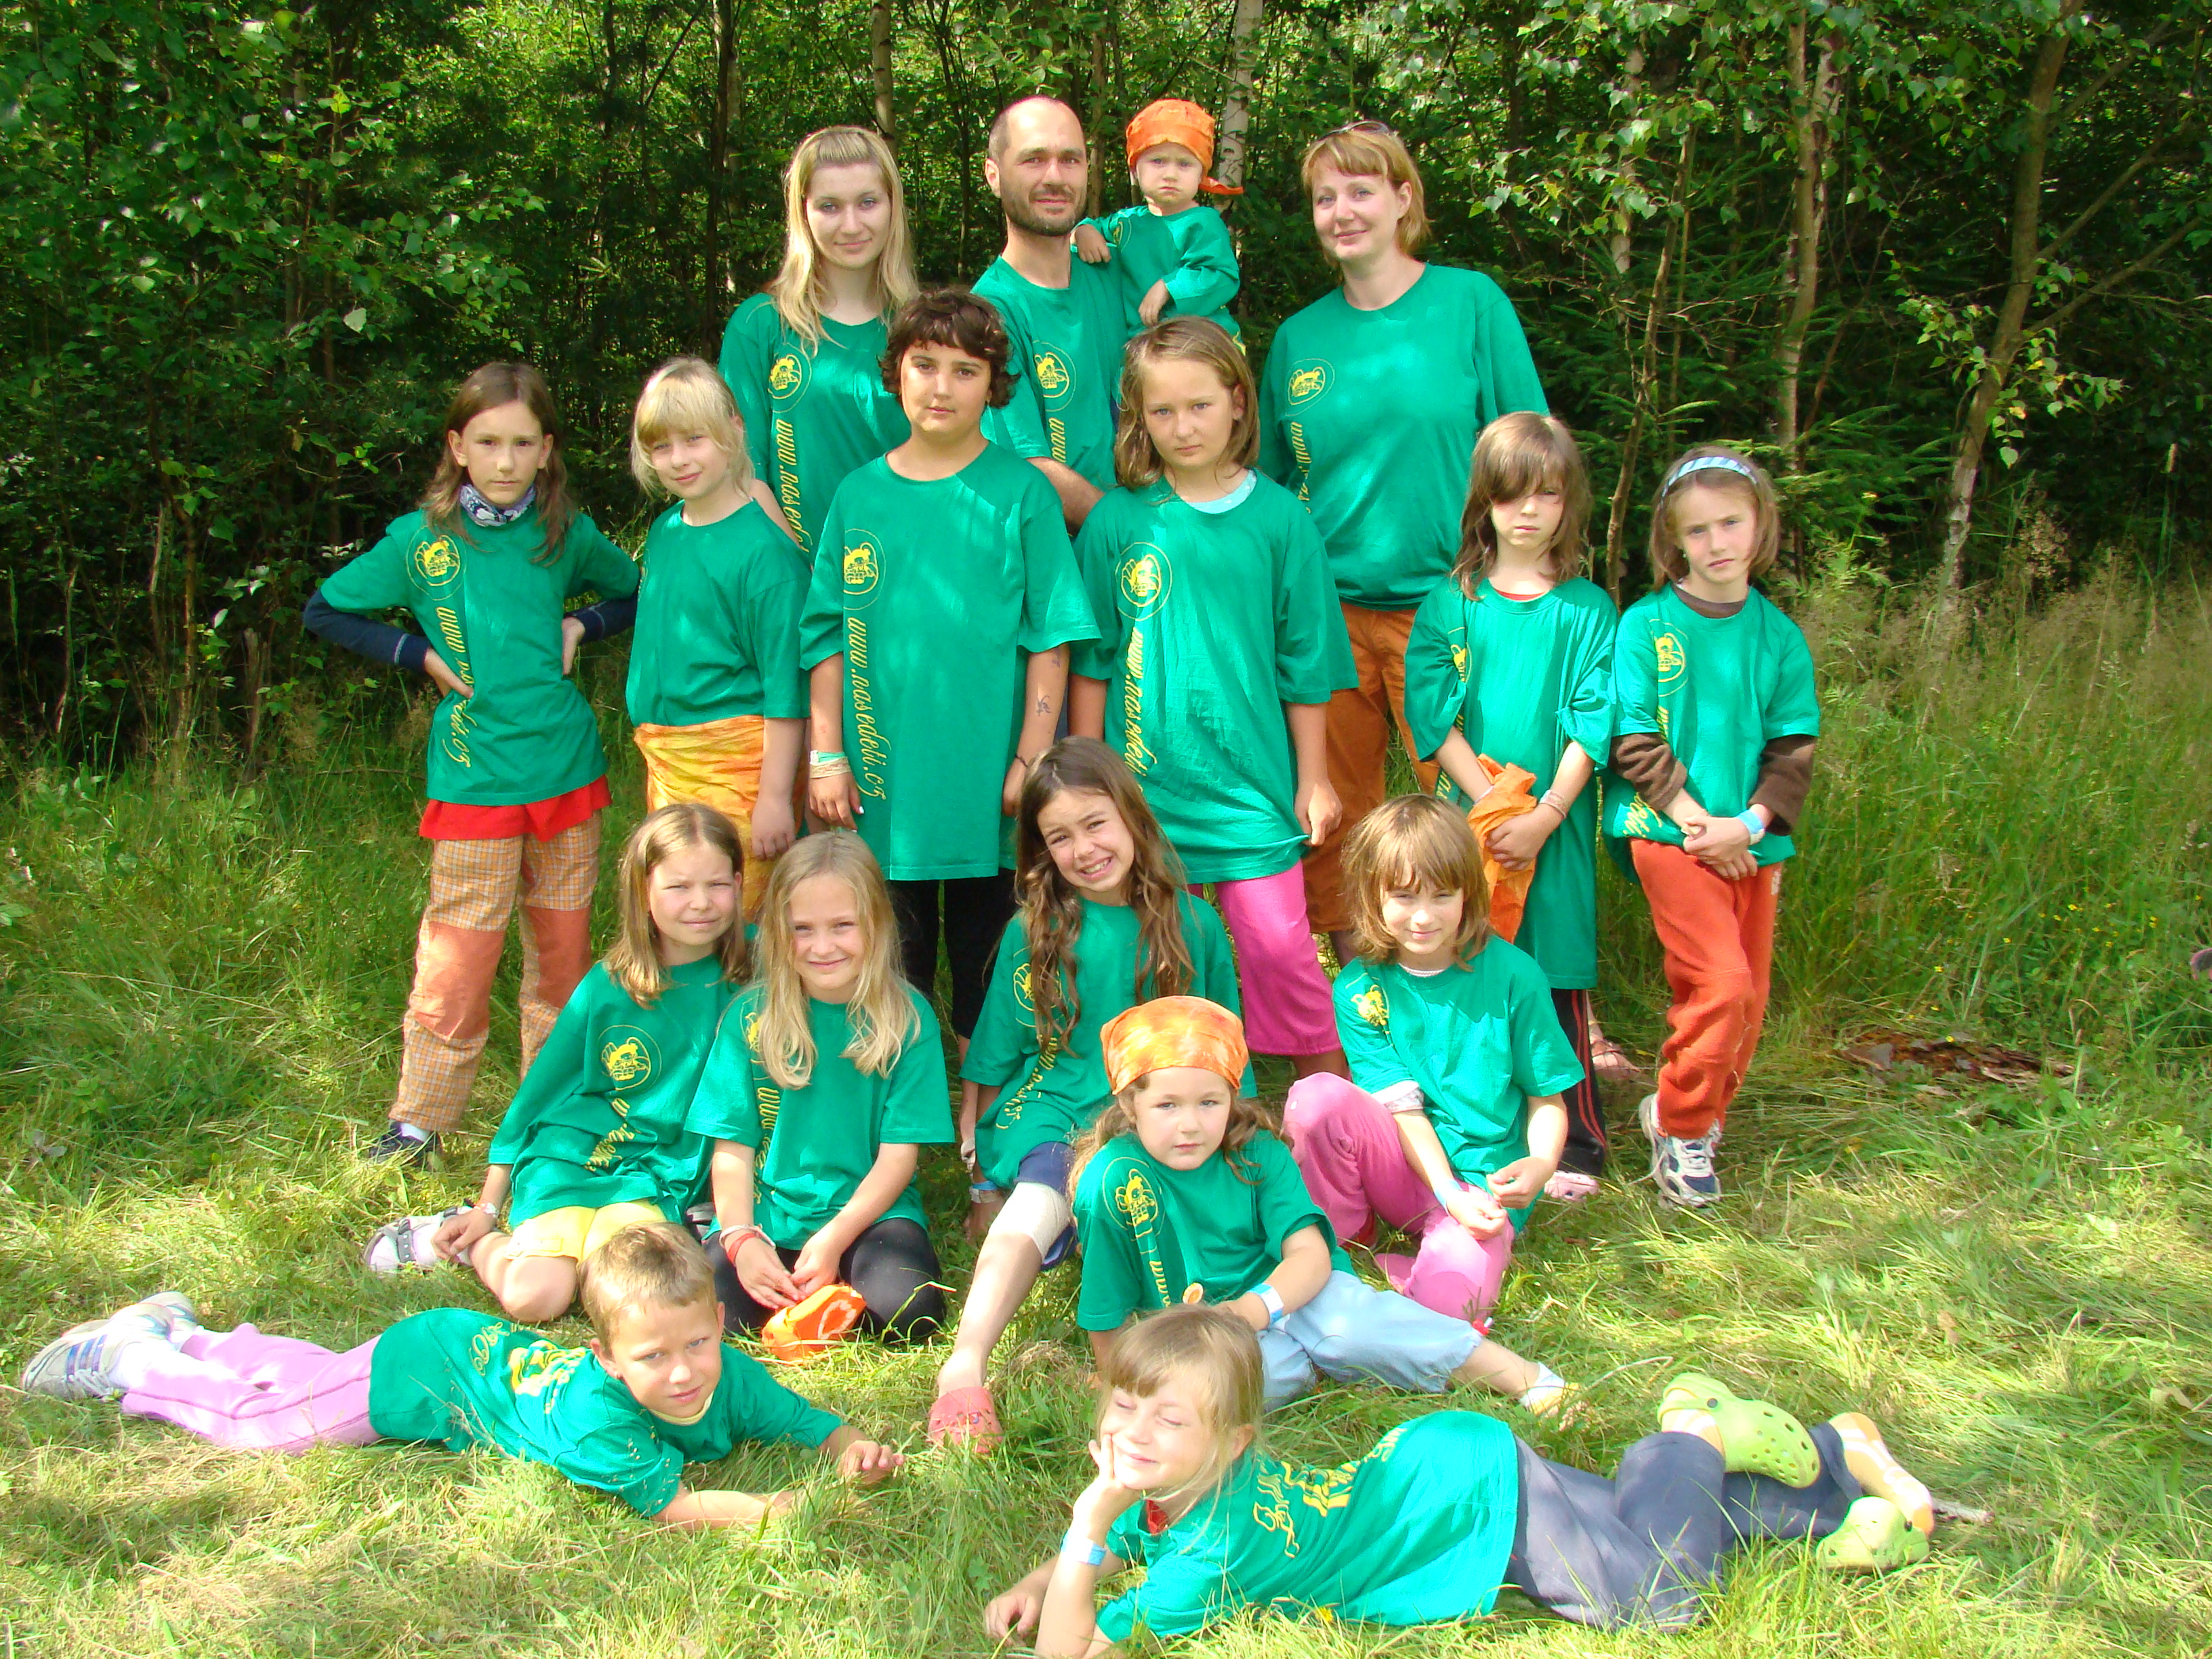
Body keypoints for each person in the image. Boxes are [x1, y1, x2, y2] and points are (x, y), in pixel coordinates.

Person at [983, 1305, 1936, 1654]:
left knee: (1656, 1599)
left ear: (1231, 1442)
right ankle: (1838, 1468)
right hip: (1441, 1470)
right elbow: (1122, 1548)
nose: (1134, 1434)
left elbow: (1072, 1652)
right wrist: (1042, 1578)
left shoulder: (1214, 1554)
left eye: (1169, 1418)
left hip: (1470, 1508)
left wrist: (1083, 1528)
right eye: (1125, 1408)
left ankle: (1697, 1431)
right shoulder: (1183, 1490)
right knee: (1639, 1531)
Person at [303, 362, 640, 1166]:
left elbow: (637, 589)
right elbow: (327, 608)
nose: (505, 461)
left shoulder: (564, 532)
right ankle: (420, 1120)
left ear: (547, 449)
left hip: (564, 772)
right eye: (487, 443)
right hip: (475, 779)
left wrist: (583, 625)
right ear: (457, 446)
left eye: (523, 444)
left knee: (562, 955)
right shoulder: (420, 542)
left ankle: (552, 1118)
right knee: (459, 954)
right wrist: (415, 653)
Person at [22, 1225, 905, 1528]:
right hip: (431, 1376)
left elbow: (799, 1419)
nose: (683, 1374)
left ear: (716, 1324)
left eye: (697, 1345)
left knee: (321, 1377)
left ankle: (194, 1337)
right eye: (652, 1357)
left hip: (463, 1344)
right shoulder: (602, 1417)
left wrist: (853, 1447)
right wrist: (773, 1508)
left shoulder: (725, 1371)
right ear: (605, 1356)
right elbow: (676, 1507)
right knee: (273, 1429)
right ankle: (129, 1359)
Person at [1257, 123, 1548, 964]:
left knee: (1481, 805)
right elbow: (1270, 487)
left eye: (1361, 191)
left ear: (1402, 198)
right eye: (1325, 198)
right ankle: (1366, 995)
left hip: (1454, 603)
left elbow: (1532, 452)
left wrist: (1528, 581)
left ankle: (1502, 985)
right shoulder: (1299, 339)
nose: (1342, 211)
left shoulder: (1469, 303)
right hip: (1328, 615)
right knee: (1336, 817)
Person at [930, 739, 1250, 1452]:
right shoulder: (1036, 930)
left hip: (1157, 1110)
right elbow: (998, 1047)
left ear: (1131, 815)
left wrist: (1242, 1137)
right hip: (1057, 1103)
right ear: (1042, 851)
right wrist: (979, 1173)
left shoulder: (1196, 925)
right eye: (1060, 837)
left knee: (1181, 1201)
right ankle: (965, 1363)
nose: (1084, 849)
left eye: (1096, 823)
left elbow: (1223, 1046)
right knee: (1040, 1197)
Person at [801, 288, 1097, 1050]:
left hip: (986, 789)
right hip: (881, 789)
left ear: (993, 385)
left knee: (986, 966)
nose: (942, 387)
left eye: (966, 371)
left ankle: (980, 1105)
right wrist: (827, 754)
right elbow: (825, 636)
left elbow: (1051, 638)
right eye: (924, 365)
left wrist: (1031, 757)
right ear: (895, 373)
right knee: (885, 964)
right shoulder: (859, 494)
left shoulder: (1021, 492)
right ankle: (891, 1100)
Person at [1070, 319, 1353, 1078]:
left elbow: (1305, 665)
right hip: (1145, 798)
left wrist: (1314, 778)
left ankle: (1328, 1108)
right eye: (1162, 411)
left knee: (1282, 953)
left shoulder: (1282, 520)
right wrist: (1093, 780)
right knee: (1158, 962)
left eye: (1199, 405)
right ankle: (1165, 1109)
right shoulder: (1119, 520)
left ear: (1237, 401)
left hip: (1252, 794)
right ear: (1138, 418)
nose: (1183, 427)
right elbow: (1093, 661)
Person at [1069, 996, 1572, 1414]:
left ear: (1231, 1097)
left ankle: (1525, 1377)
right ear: (1130, 1105)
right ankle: (1314, 1362)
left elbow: (1309, 1257)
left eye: (1209, 1102)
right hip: (1200, 1333)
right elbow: (1105, 1302)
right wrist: (1120, 1381)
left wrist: (1254, 1309)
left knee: (1356, 1328)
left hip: (1293, 1294)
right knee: (1208, 1394)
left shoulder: (1255, 1152)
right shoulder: (1113, 1181)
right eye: (1167, 1105)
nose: (1189, 1124)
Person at [361, 803, 748, 1321]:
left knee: (635, 1300)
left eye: (717, 885)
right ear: (643, 891)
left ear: (739, 884)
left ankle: (578, 1255)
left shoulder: (759, 968)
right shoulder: (611, 986)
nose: (701, 903)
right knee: (535, 1299)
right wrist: (488, 1207)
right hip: (575, 1159)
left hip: (658, 1174)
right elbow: (537, 1099)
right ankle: (469, 1242)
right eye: (678, 887)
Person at [1403, 412, 1616, 1199]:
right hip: (1470, 824)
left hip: (1555, 825)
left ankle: (1576, 1138)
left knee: (1552, 966)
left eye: (1547, 494)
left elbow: (1594, 718)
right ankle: (1475, 1126)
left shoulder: (1588, 610)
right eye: (1511, 494)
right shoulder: (1451, 603)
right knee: (1468, 963)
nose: (1529, 511)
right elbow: (1432, 715)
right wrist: (1494, 806)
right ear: (1484, 501)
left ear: (1569, 502)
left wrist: (1546, 814)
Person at [1607, 446, 1819, 1207]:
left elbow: (1792, 750)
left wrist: (1749, 826)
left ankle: (1689, 1107)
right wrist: (1703, 828)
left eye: (1731, 523)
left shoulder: (1779, 637)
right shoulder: (1646, 625)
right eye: (1697, 530)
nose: (1717, 542)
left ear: (1761, 525)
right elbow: (1633, 738)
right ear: (1674, 540)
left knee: (1748, 1000)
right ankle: (1684, 1129)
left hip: (1754, 839)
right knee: (1721, 983)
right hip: (1668, 832)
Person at [1285, 796, 1584, 1328]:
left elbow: (1548, 1099)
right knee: (1316, 1097)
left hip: (1483, 1184)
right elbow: (1401, 1107)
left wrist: (1541, 1165)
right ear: (1372, 897)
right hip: (1405, 1166)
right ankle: (1346, 1240)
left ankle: (1429, 1266)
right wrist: (1443, 1191)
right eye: (1403, 897)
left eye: (1442, 896)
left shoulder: (1516, 977)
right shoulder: (1358, 986)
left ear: (1469, 892)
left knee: (1451, 1313)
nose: (1423, 917)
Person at [687, 831, 953, 1340]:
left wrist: (834, 1240)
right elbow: (732, 1148)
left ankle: (827, 1285)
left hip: (867, 1215)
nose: (822, 947)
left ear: (876, 925)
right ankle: (726, 1237)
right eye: (802, 929)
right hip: (767, 1210)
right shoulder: (749, 1016)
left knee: (911, 1314)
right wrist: (741, 1239)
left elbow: (898, 1158)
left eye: (842, 926)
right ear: (776, 932)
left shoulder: (908, 1020)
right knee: (719, 1315)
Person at [624, 359, 808, 915]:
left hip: (737, 771)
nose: (678, 459)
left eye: (694, 440)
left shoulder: (765, 555)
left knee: (730, 915)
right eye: (661, 447)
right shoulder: (666, 532)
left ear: (734, 429)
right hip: (668, 763)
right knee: (678, 913)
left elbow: (785, 689)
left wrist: (774, 797)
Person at [720, 125, 915, 554]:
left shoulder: (924, 327)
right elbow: (743, 472)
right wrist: (804, 574)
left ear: (892, 205)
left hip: (911, 570)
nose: (851, 225)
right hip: (794, 576)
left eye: (868, 202)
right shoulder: (760, 325)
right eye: (829, 206)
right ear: (802, 211)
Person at [975, 96, 1126, 527]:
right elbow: (1029, 468)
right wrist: (1129, 535)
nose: (1055, 177)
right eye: (1034, 159)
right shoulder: (987, 315)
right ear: (994, 175)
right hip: (1067, 558)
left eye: (1070, 160)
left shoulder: (1114, 270)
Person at [1073, 99, 1243, 339]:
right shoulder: (1126, 223)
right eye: (1158, 161)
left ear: (1201, 174)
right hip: (1142, 342)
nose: (1170, 174)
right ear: (1135, 170)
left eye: (1185, 164)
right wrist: (1084, 231)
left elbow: (1221, 276)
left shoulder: (1203, 223)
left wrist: (1168, 287)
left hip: (1198, 340)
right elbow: (1091, 228)